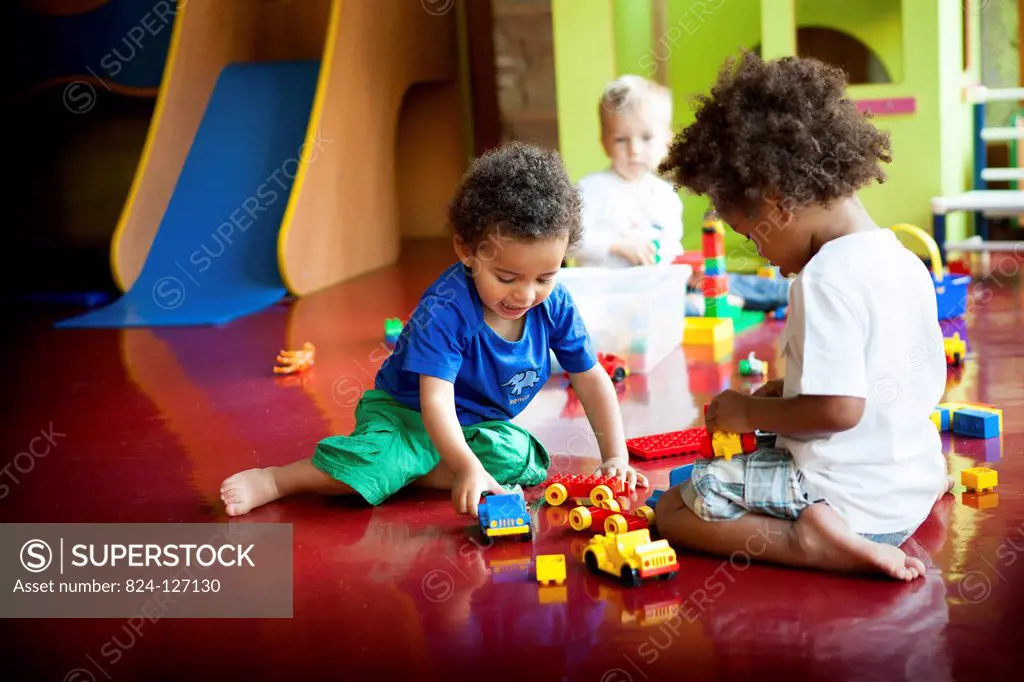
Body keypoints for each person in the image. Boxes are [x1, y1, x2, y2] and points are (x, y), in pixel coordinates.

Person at [221, 142, 649, 518]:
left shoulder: (554, 305)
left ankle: (407, 471)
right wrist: (464, 467)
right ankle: (281, 480)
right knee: (375, 464)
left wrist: (614, 455)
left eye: (544, 277)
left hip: (476, 425)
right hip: (407, 415)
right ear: (467, 250)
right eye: (506, 277)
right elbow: (436, 402)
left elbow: (591, 378)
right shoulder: (445, 310)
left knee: (522, 459)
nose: (525, 294)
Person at [653, 51, 952, 580]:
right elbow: (890, 378)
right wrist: (789, 391)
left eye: (751, 235)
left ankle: (810, 542)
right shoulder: (903, 261)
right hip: (910, 490)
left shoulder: (824, 278)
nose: (761, 255)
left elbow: (838, 412)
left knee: (677, 505)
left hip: (848, 504)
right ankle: (831, 528)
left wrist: (748, 413)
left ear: (777, 204)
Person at [572, 74, 790, 315]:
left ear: (667, 141)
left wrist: (680, 267)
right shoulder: (591, 189)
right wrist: (617, 245)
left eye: (646, 138)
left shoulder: (665, 195)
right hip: (615, 297)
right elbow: (570, 242)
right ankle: (716, 304)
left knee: (716, 280)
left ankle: (783, 292)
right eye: (621, 139)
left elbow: (671, 246)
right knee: (685, 306)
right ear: (604, 143)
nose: (634, 150)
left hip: (662, 286)